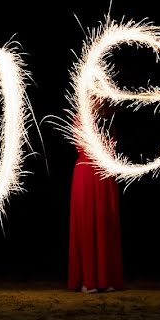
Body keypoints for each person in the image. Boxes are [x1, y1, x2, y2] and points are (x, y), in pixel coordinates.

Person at [67, 106, 123, 293]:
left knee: (105, 225)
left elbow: (112, 145)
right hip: (87, 173)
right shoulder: (81, 117)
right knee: (88, 225)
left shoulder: (110, 118)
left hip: (105, 175)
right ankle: (87, 280)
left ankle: (105, 279)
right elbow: (81, 145)